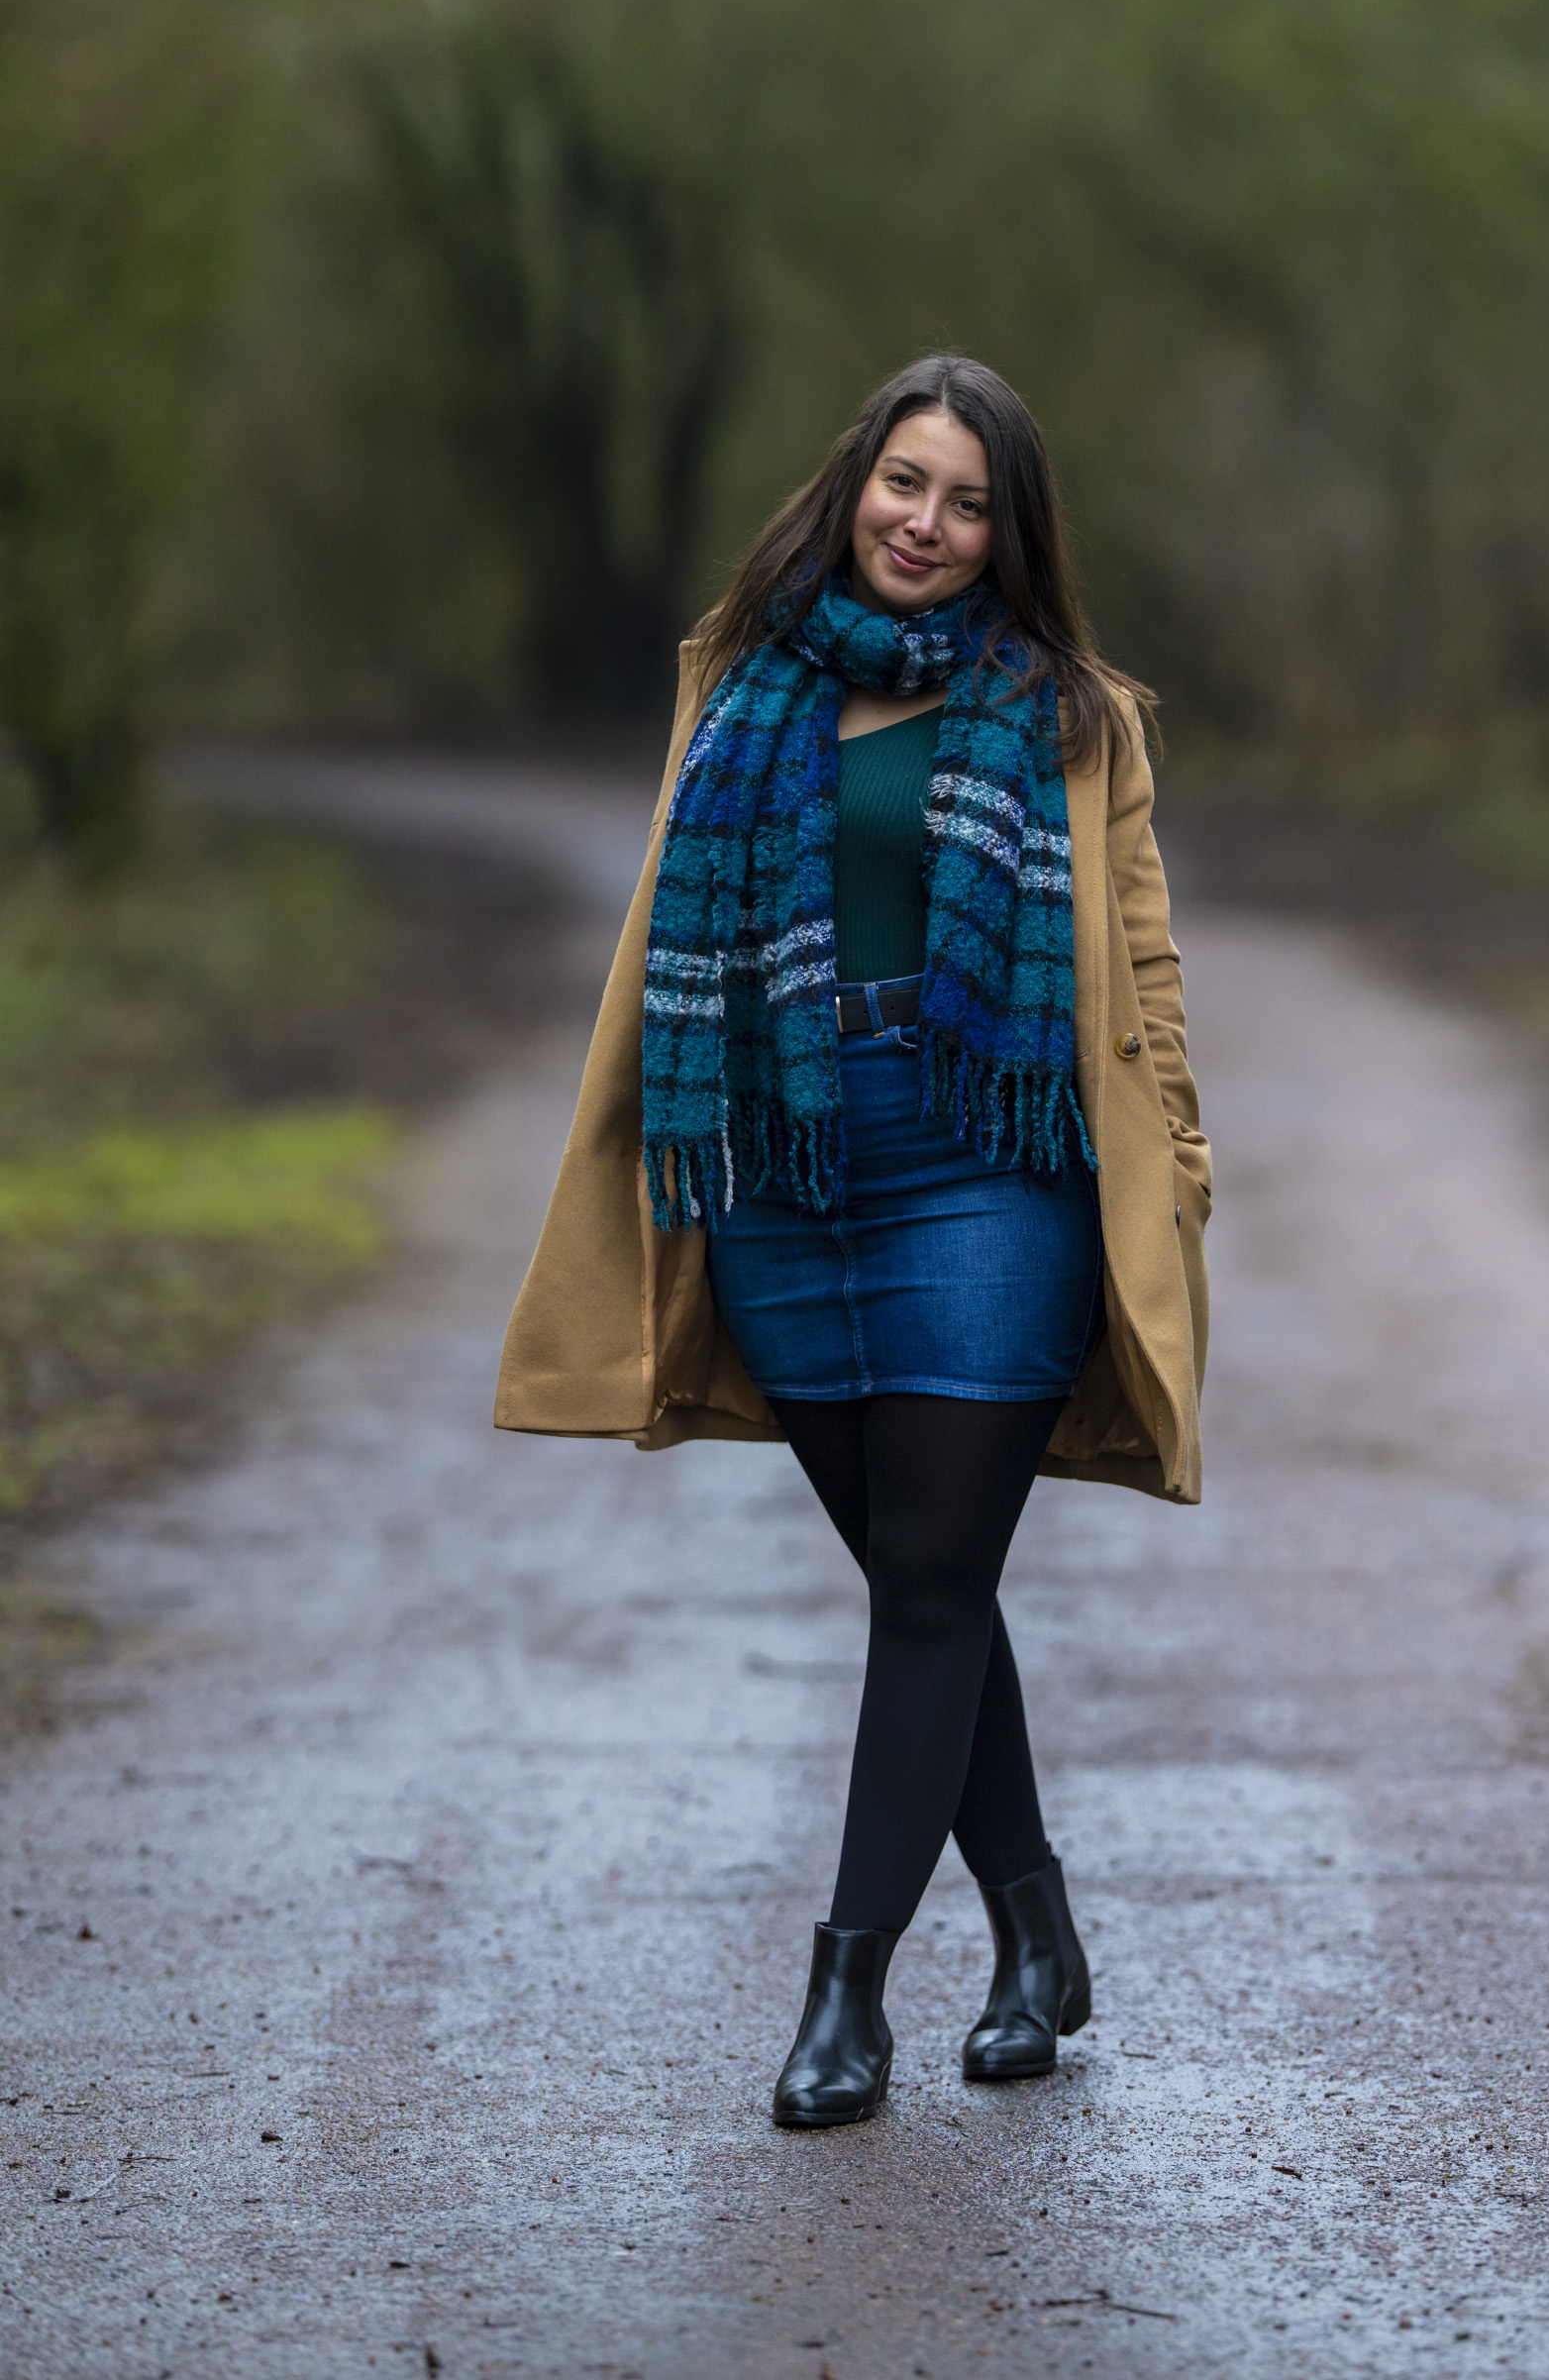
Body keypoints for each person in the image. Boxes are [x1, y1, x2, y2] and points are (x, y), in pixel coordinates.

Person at [496, 353, 1210, 2128]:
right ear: (856, 483)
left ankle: (848, 1996)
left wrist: (1177, 1166)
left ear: (1008, 532)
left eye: (972, 504)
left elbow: (1148, 969)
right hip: (784, 1165)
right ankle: (1040, 1941)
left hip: (993, 1157)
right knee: (921, 1580)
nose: (930, 525)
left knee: (929, 1587)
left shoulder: (1071, 716)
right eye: (909, 483)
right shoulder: (740, 684)